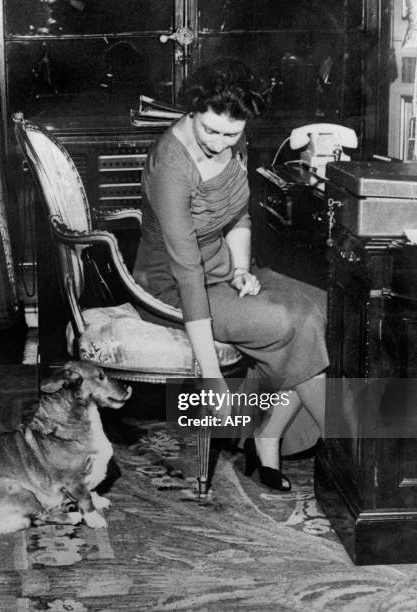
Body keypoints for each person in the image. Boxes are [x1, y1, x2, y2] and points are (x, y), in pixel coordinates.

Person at [133, 58, 328, 491]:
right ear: (191, 113)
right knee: (290, 322)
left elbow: (238, 212)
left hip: (223, 270)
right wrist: (212, 378)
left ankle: (268, 435)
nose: (221, 143)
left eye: (232, 134)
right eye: (211, 131)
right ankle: (363, 447)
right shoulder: (170, 166)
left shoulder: (231, 139)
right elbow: (186, 273)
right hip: (173, 285)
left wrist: (240, 269)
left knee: (326, 307)